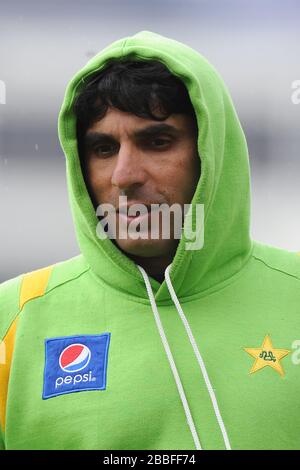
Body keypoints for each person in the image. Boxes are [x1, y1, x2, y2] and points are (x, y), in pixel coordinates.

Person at [0, 30, 300, 451]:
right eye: (103, 148)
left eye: (156, 142)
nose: (124, 176)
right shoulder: (12, 319)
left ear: (211, 153)